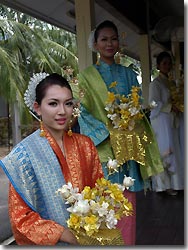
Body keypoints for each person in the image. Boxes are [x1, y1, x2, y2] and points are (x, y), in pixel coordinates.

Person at [72, 20, 164, 245]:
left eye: (113, 39)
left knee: (127, 203)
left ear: (119, 42)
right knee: (104, 203)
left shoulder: (130, 74)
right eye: (104, 39)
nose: (109, 43)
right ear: (95, 44)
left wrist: (130, 126)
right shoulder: (85, 77)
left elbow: (138, 107)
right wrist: (107, 132)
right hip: (103, 149)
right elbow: (81, 111)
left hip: (127, 147)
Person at [0, 73, 104, 245]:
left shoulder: (85, 145)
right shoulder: (23, 156)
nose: (62, 111)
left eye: (68, 103)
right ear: (37, 107)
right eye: (53, 104)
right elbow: (21, 219)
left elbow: (99, 191)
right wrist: (64, 234)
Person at [148, 51, 184, 195]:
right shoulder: (155, 83)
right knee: (165, 150)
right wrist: (169, 106)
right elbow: (153, 102)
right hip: (161, 121)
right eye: (164, 63)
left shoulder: (170, 83)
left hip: (171, 120)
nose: (167, 66)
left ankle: (176, 183)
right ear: (158, 66)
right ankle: (163, 185)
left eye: (169, 64)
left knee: (175, 149)